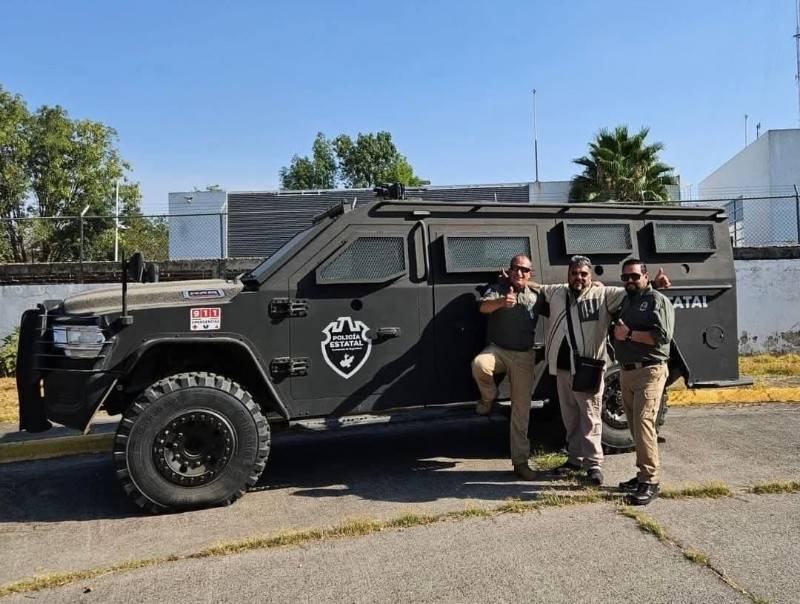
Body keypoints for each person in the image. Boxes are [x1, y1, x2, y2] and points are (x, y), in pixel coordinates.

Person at [536, 256, 625, 486]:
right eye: (575, 273)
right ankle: (575, 459)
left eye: (584, 274)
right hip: (562, 369)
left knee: (591, 417)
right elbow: (537, 287)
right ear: (568, 275)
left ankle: (594, 464)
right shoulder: (557, 292)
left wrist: (656, 286)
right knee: (570, 417)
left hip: (588, 368)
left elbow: (632, 293)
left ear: (591, 276)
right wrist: (518, 279)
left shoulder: (602, 294)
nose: (579, 277)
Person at [611, 258, 675, 506]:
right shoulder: (628, 300)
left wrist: (627, 334)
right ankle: (641, 475)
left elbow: (661, 337)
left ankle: (651, 481)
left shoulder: (657, 301)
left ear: (645, 277)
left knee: (644, 424)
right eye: (625, 277)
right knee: (635, 427)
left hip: (649, 372)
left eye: (635, 276)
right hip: (627, 372)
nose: (630, 280)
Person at [471, 254, 540, 481]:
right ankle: (489, 396)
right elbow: (482, 307)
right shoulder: (498, 288)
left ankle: (520, 462)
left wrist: (596, 285)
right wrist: (501, 302)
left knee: (521, 412)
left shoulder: (537, 295)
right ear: (509, 271)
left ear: (530, 274)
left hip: (524, 357)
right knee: (480, 364)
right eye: (516, 269)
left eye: (525, 270)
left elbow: (564, 297)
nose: (520, 273)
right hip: (498, 350)